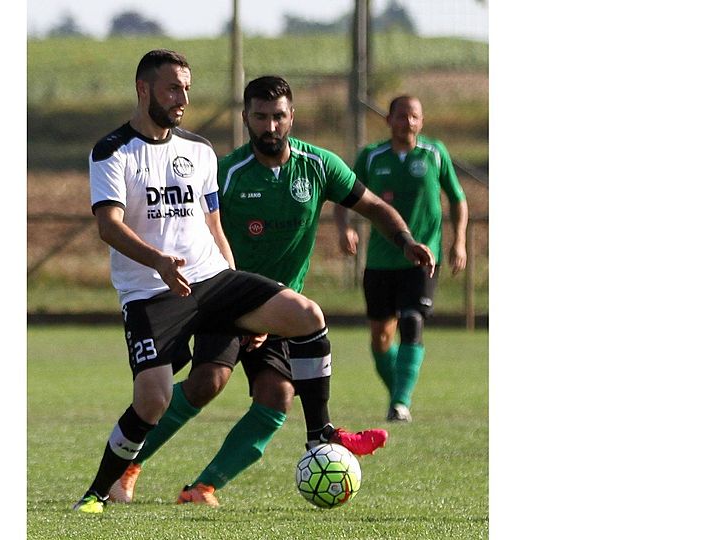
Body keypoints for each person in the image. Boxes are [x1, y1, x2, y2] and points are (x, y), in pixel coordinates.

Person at [104, 76, 437, 507]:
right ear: (246, 118)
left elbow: (372, 206)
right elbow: (200, 232)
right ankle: (128, 466)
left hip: (282, 307)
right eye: (260, 117)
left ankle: (202, 488)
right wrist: (241, 307)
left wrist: (407, 239)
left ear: (291, 117)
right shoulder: (227, 173)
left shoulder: (318, 166)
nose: (270, 126)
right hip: (224, 292)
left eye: (278, 116)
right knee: (208, 380)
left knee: (277, 396)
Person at [73, 51, 356, 514]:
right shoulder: (112, 151)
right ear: (143, 90)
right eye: (171, 88)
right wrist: (159, 262)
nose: (182, 97)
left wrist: (241, 298)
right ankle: (98, 492)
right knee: (153, 400)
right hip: (151, 291)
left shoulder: (199, 150)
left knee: (306, 315)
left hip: (213, 279)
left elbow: (214, 225)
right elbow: (108, 224)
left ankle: (318, 433)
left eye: (186, 87)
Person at [335, 95, 468, 422]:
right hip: (380, 261)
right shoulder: (371, 156)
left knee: (412, 320)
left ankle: (399, 403)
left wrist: (459, 242)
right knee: (381, 335)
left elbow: (458, 199)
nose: (407, 122)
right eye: (401, 116)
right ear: (388, 120)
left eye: (414, 116)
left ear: (421, 121)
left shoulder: (435, 153)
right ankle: (400, 394)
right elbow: (343, 196)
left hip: (423, 258)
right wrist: (345, 228)